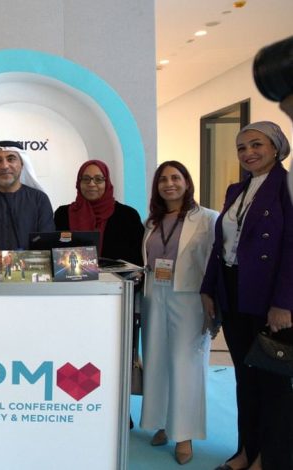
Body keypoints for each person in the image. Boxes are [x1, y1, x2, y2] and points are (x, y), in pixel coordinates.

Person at [201, 121, 293, 470]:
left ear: (276, 148)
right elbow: (221, 245)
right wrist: (208, 289)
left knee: (273, 382)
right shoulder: (236, 189)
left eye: (256, 145)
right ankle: (246, 450)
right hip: (233, 290)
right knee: (245, 377)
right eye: (241, 147)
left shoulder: (286, 187)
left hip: (269, 297)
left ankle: (270, 459)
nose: (248, 153)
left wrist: (284, 303)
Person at [139, 161, 218, 465]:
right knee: (156, 360)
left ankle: (184, 434)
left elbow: (214, 265)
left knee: (186, 364)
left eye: (175, 178)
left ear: (187, 182)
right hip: (155, 296)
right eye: (163, 179)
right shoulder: (152, 221)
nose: (169, 184)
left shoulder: (207, 219)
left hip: (190, 298)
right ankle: (162, 422)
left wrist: (213, 301)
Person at [54, 159, 144, 266]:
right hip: (72, 276)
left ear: (107, 183)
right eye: (86, 179)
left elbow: (137, 259)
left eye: (98, 179)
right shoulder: (62, 214)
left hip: (116, 277)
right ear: (79, 183)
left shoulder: (128, 216)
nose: (91, 184)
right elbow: (54, 252)